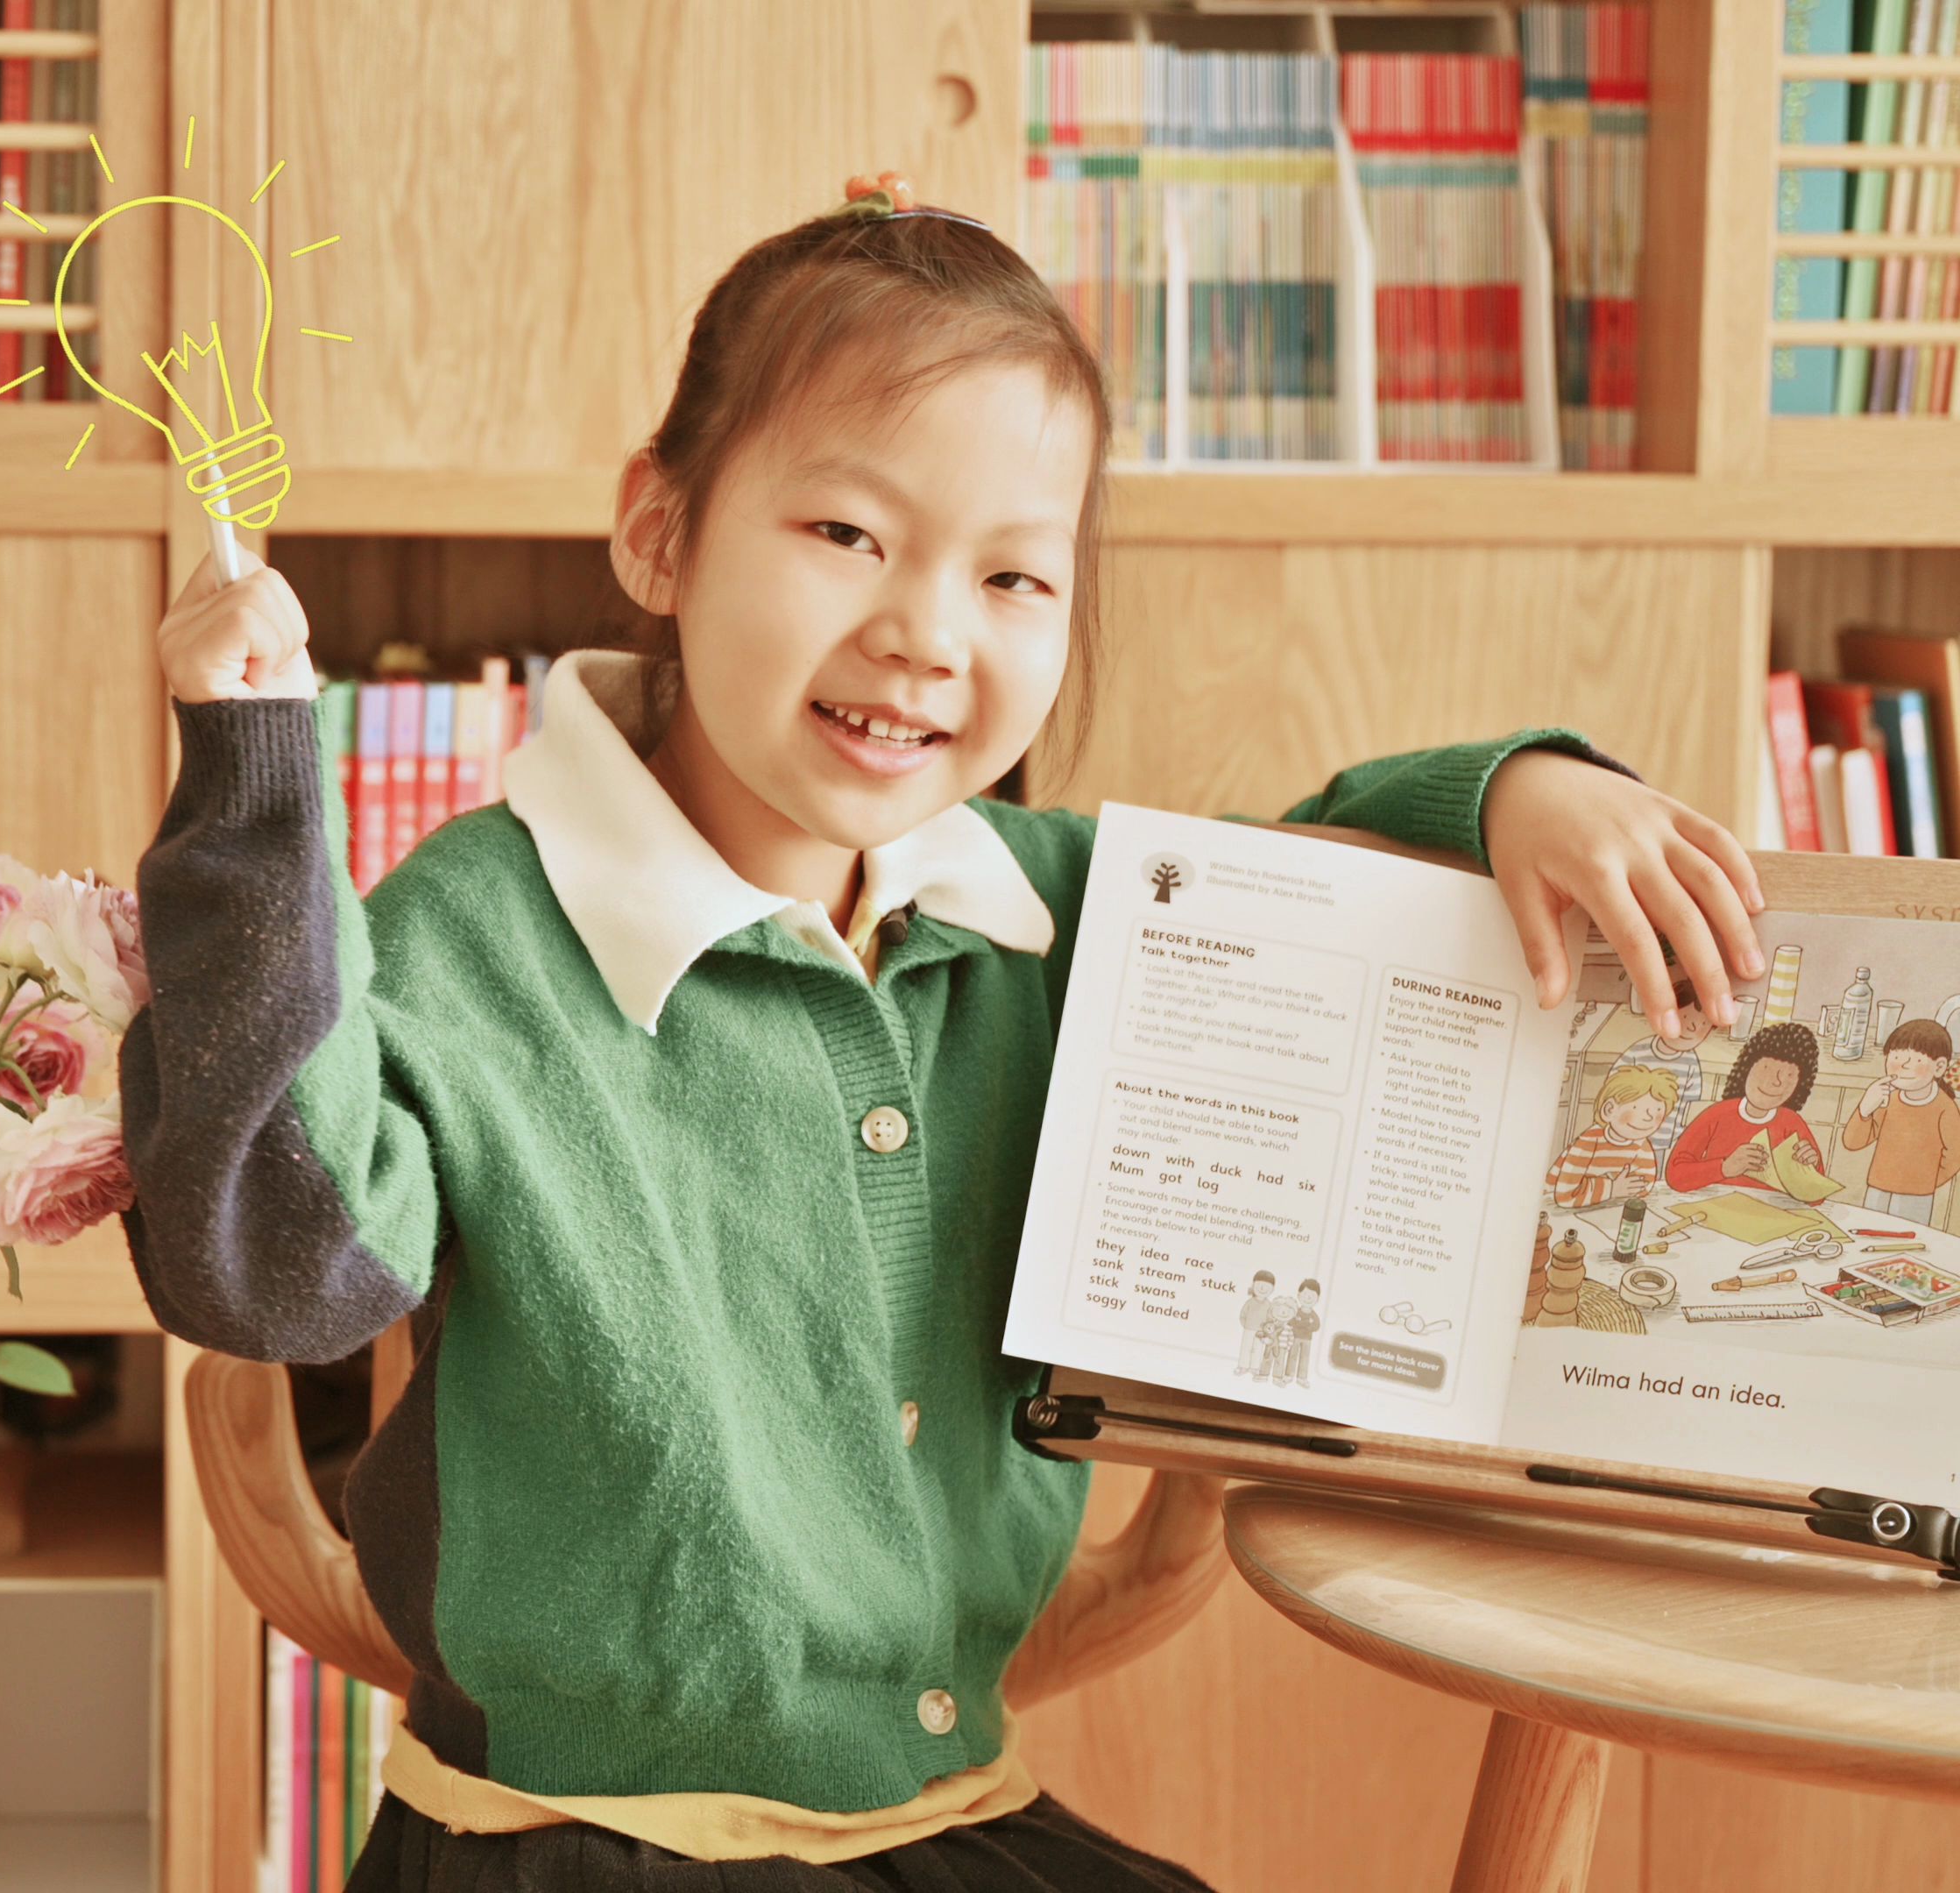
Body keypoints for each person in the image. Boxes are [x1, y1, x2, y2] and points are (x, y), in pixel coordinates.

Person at [119, 175, 1767, 1892]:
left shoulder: (1059, 915)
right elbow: (264, 1268)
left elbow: (1325, 914)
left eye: (1014, 576)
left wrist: (1515, 795)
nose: (925, 632)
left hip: (943, 1822)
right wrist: (254, 792)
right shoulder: (480, 927)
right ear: (660, 533)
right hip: (575, 1840)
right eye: (847, 536)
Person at [1665, 1023, 1824, 1196]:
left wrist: (1811, 1166)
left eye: (1789, 1076)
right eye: (1767, 1069)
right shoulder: (1717, 1114)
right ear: (1747, 1068)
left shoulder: (1792, 1124)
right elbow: (1675, 1175)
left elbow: (1817, 1197)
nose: (1777, 1082)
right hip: (1714, 1209)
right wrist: (1724, 1167)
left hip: (1770, 1214)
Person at [1843, 1017, 1960, 1223]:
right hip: (1877, 1187)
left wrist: (1925, 1181)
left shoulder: (1945, 1108)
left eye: (1915, 1060)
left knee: (1905, 1240)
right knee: (1868, 1232)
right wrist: (1865, 1109)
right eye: (1895, 1056)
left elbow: (1955, 1154)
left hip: (1917, 1195)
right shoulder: (1887, 1098)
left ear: (1939, 1067)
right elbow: (1852, 1143)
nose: (1902, 1066)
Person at [1612, 977, 1712, 1167]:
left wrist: (1680, 1135)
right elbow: (1614, 1085)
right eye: (1685, 1018)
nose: (1692, 1028)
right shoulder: (1638, 1051)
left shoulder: (1691, 1065)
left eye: (1703, 1025)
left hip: (1662, 1141)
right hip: (1626, 1132)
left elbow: (1691, 1107)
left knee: (1650, 1180)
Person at [1545, 1065, 1677, 1208]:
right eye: (1637, 1108)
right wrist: (1612, 1187)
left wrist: (1609, 1186)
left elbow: (1644, 1185)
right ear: (1609, 1110)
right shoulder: (1588, 1141)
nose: (1649, 1118)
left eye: (1657, 1112)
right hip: (1551, 1204)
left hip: (1601, 1205)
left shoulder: (1642, 1145)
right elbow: (1566, 1195)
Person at [1236, 1270, 1277, 1376]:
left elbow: (1270, 1319)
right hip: (1248, 1329)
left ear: (1272, 1289)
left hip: (1261, 1332)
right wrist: (1246, 1325)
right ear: (1253, 1285)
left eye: (1266, 1287)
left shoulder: (1269, 1304)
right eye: (1259, 1285)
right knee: (1246, 1348)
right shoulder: (1250, 1302)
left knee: (1258, 1349)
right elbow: (1243, 1315)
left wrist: (1267, 1331)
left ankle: (1254, 1368)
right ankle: (1243, 1366)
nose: (1262, 1289)